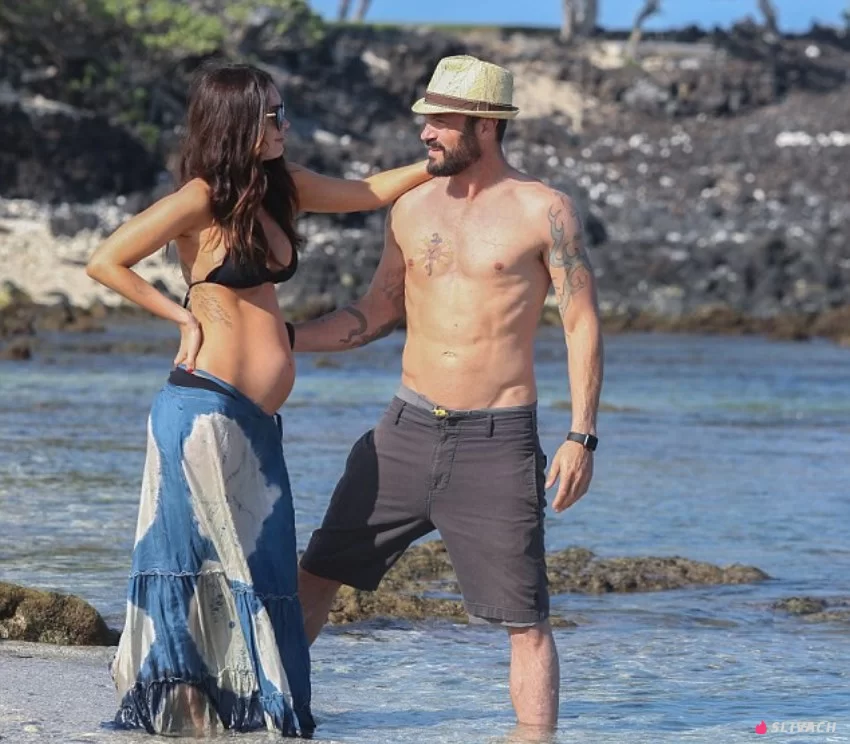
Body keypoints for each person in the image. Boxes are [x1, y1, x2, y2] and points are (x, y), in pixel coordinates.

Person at [85, 62, 432, 737]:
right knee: (196, 567)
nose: (284, 125)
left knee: (260, 564)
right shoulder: (199, 198)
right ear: (236, 122)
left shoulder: (284, 187)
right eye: (272, 115)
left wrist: (439, 163)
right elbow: (106, 261)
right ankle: (187, 712)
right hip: (203, 413)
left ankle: (247, 710)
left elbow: (367, 192)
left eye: (282, 111)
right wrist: (181, 318)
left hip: (256, 424)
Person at [293, 55, 604, 732]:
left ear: (485, 126)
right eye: (425, 119)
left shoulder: (544, 210)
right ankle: (271, 714)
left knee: (526, 620)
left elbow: (580, 323)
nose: (425, 132)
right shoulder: (409, 208)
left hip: (497, 443)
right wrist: (281, 338)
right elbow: (376, 312)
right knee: (314, 574)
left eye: (440, 121)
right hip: (403, 433)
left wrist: (581, 436)